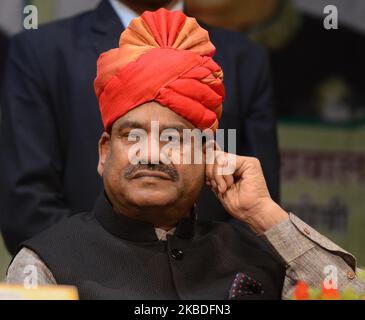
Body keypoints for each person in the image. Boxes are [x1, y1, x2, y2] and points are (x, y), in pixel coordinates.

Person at [6, 9, 365, 300]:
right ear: (104, 152)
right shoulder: (49, 264)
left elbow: (346, 293)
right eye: (133, 135)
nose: (150, 153)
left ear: (209, 153)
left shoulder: (260, 261)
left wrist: (266, 217)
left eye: (174, 138)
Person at [0, 0, 280, 255]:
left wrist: (202, 280)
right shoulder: (41, 51)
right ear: (104, 148)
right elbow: (26, 204)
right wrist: (113, 278)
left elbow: (255, 197)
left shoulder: (244, 58)